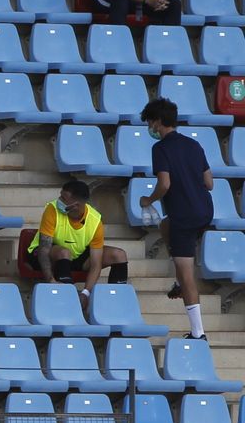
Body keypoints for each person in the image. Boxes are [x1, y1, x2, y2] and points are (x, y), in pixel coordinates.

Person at [139, 97, 213, 339]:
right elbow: (209, 183)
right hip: (204, 210)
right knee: (164, 224)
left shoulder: (160, 148)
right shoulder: (194, 145)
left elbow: (165, 183)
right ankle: (181, 280)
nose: (149, 127)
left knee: (186, 271)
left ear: (158, 122)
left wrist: (148, 200)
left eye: (150, 121)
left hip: (184, 215)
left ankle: (198, 332)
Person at [28, 179, 129, 299]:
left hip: (76, 256)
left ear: (76, 205)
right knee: (64, 252)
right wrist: (50, 280)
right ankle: (65, 298)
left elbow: (96, 263)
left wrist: (85, 293)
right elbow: (44, 250)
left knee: (119, 255)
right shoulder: (52, 209)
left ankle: (116, 301)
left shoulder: (95, 220)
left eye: (63, 199)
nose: (59, 200)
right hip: (46, 256)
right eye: (60, 196)